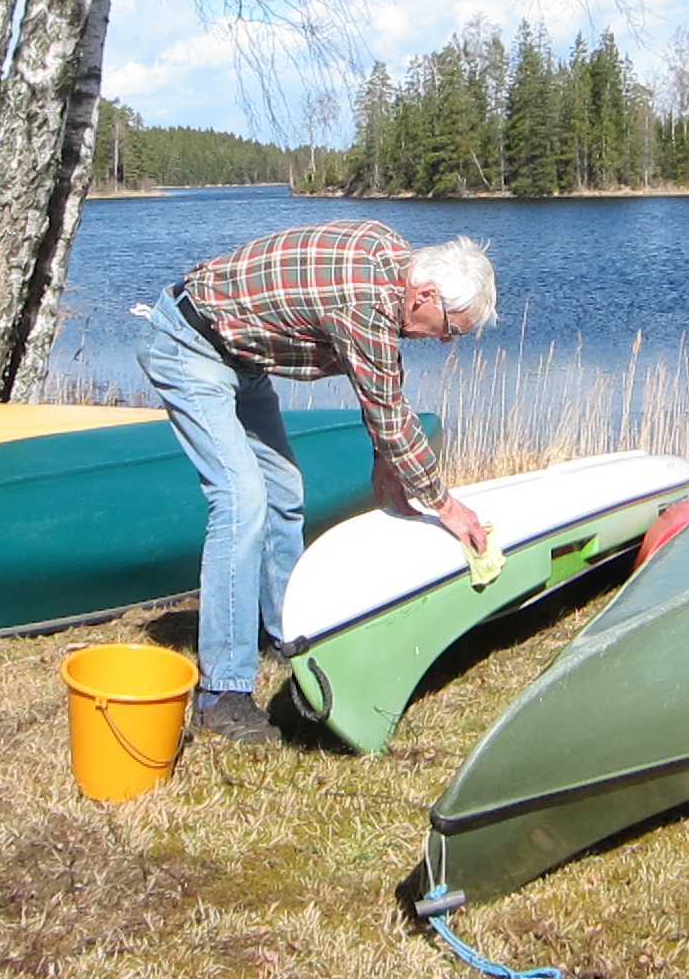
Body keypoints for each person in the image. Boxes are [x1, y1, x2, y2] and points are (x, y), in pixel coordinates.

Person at [137, 219, 496, 744]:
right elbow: (389, 404)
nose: (443, 340)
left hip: (242, 355)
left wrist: (384, 456)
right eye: (450, 328)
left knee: (284, 495)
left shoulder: (393, 260)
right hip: (190, 346)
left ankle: (293, 638)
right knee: (242, 501)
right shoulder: (364, 299)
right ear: (423, 293)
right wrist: (444, 504)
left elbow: (380, 376)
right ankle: (223, 693)